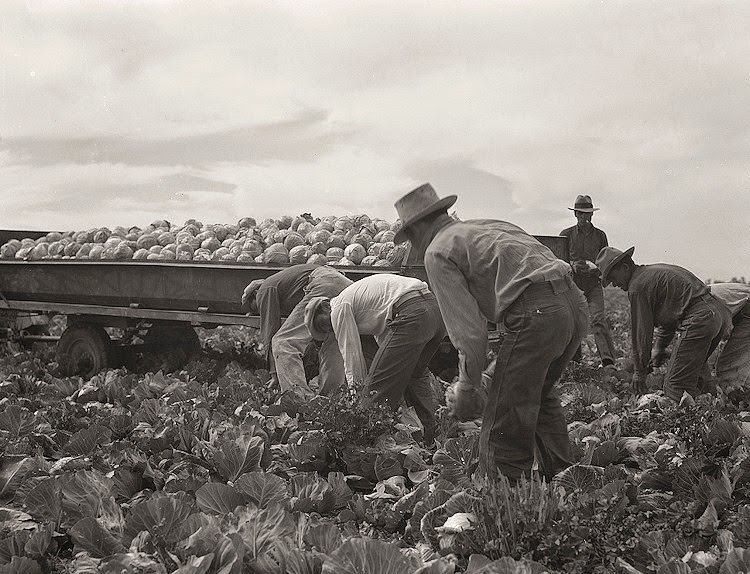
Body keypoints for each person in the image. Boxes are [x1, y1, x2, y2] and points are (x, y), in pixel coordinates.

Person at [393, 183, 588, 483]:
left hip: (536, 314)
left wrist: (468, 389)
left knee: (503, 424)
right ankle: (568, 484)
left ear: (417, 229)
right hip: (573, 303)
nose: (410, 244)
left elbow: (471, 335)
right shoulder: (486, 225)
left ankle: (504, 510)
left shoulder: (438, 251)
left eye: (408, 236)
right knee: (539, 396)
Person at [303, 273, 446, 442]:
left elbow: (352, 357)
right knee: (415, 375)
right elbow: (387, 346)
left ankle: (365, 446)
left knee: (376, 386)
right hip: (434, 310)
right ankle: (430, 438)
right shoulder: (366, 305)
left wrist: (357, 400)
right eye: (323, 331)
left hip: (412, 312)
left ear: (326, 307)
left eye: (321, 324)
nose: (328, 329)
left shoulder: (338, 307)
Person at [596, 246, 731, 400]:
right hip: (717, 314)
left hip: (700, 318)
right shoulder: (649, 273)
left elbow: (641, 334)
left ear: (625, 268)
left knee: (675, 385)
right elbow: (670, 319)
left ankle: (691, 420)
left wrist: (639, 372)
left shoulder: (637, 287)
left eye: (613, 278)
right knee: (695, 369)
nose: (614, 284)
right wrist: (659, 348)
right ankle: (711, 410)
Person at [241, 264, 352, 396]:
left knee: (284, 342)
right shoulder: (284, 283)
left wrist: (274, 373)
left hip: (324, 284)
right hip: (346, 285)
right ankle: (330, 399)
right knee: (333, 342)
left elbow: (270, 331)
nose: (257, 311)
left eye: (254, 308)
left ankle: (300, 399)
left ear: (254, 294)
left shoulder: (265, 289)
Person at [651, 282, 750, 388]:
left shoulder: (690, 309)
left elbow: (695, 351)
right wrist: (658, 350)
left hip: (746, 306)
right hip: (738, 306)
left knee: (730, 366)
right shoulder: (682, 302)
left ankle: (734, 398)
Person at [559, 195, 616, 370]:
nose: (584, 218)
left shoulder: (600, 236)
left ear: (592, 215)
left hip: (593, 284)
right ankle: (575, 362)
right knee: (574, 322)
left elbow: (607, 261)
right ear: (575, 214)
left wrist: (596, 268)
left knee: (598, 318)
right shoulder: (566, 235)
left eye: (587, 214)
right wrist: (572, 265)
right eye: (581, 214)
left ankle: (608, 362)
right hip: (573, 285)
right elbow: (558, 262)